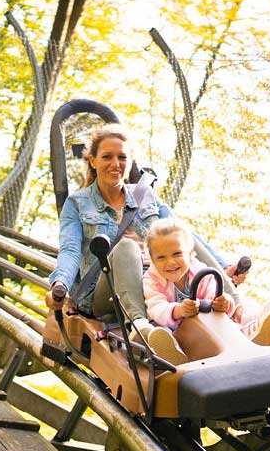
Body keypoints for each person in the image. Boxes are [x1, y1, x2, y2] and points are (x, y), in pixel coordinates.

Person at [44, 124, 248, 340]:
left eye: (122, 157)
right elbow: (70, 250)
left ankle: (239, 309)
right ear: (93, 161)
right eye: (107, 157)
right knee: (126, 246)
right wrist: (60, 284)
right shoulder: (78, 203)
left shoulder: (142, 193)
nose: (115, 164)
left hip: (157, 280)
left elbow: (182, 232)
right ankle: (140, 327)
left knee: (181, 237)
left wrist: (224, 265)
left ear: (130, 161)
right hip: (106, 290)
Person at [140, 218, 270, 363]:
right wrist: (178, 310)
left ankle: (252, 329)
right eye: (161, 257)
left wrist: (222, 303)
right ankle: (175, 355)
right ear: (152, 260)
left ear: (190, 254)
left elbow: (214, 291)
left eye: (177, 254)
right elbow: (156, 308)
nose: (170, 262)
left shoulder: (199, 270)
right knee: (160, 335)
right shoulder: (152, 280)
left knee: (231, 316)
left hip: (207, 326)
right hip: (177, 331)